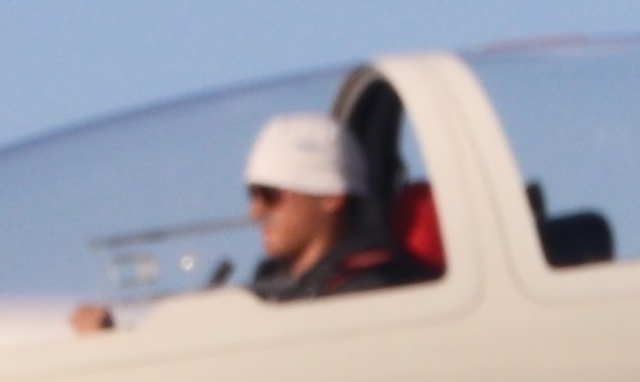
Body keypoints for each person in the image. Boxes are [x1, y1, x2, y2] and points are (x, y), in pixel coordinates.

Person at [73, 108, 412, 332]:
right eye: (253, 194)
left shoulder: (372, 296)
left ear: (330, 196)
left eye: (270, 194)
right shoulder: (274, 288)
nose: (256, 212)